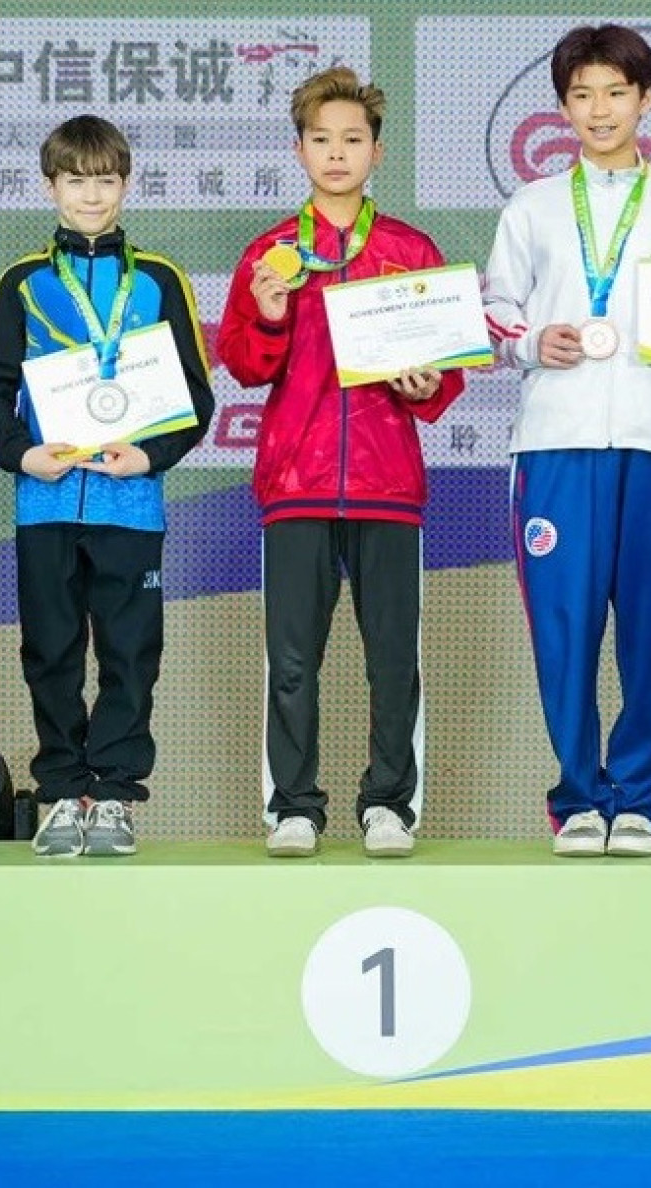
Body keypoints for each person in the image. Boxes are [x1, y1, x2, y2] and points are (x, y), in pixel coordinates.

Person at [481, 25, 651, 858]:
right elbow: (494, 307)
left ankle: (641, 799)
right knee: (564, 624)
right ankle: (580, 796)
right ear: (563, 107)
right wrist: (527, 341)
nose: (600, 109)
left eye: (616, 92)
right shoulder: (533, 206)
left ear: (646, 100)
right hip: (557, 440)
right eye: (582, 95)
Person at [218, 67, 465, 859]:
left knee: (393, 660)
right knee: (292, 661)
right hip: (296, 484)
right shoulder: (271, 254)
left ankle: (389, 805)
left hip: (388, 485)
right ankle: (294, 807)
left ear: (376, 152)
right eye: (320, 139)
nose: (336, 153)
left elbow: (443, 374)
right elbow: (244, 364)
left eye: (352, 139)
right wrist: (267, 313)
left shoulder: (409, 251)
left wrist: (428, 382)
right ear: (299, 150)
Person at [0, 114, 214, 859]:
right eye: (76, 181)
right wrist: (21, 454)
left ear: (126, 184)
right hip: (46, 500)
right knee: (51, 653)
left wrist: (150, 456)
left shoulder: (160, 279)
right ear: (51, 186)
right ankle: (61, 793)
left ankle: (114, 795)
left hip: (130, 502)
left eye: (105, 180)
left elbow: (195, 394)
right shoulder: (23, 282)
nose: (92, 195)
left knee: (131, 655)